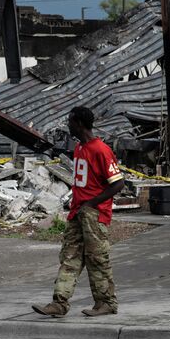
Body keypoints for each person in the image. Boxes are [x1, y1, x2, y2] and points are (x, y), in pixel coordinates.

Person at [32, 106, 124, 318]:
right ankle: (59, 302)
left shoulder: (100, 150)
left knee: (97, 258)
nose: (68, 126)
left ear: (80, 124)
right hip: (78, 212)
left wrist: (92, 203)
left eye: (71, 122)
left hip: (93, 213)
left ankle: (106, 302)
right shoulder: (80, 148)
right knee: (69, 257)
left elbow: (118, 184)